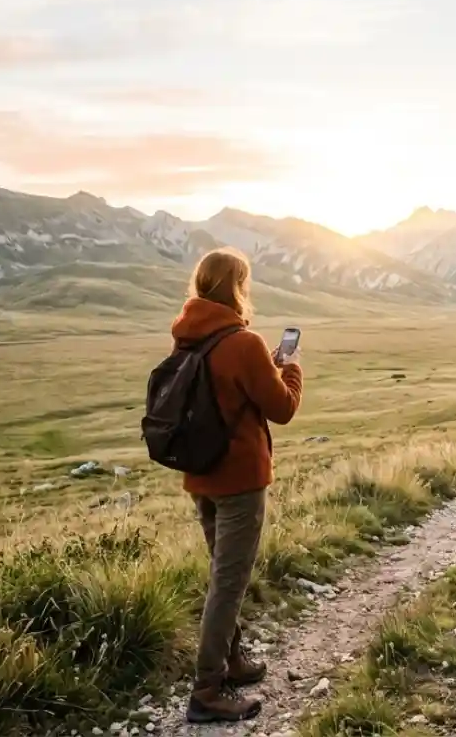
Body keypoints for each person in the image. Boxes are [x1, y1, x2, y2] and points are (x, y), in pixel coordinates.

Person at [170, 247, 303, 723]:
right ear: (237, 286)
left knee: (223, 576)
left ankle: (232, 660)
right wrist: (288, 369)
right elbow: (282, 409)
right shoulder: (242, 342)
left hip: (200, 476)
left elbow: (223, 391)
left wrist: (261, 368)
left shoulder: (187, 336)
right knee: (229, 583)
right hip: (240, 481)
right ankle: (206, 691)